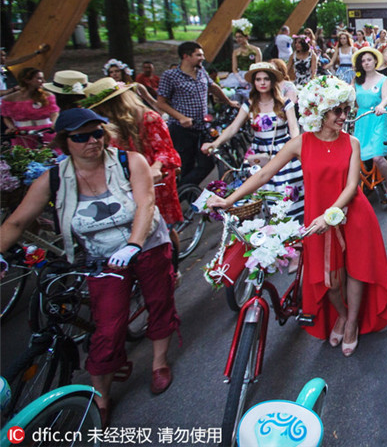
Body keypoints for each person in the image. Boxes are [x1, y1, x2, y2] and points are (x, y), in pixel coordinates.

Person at [0, 109, 179, 426]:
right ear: (65, 142)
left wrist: (134, 244)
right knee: (107, 326)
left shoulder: (129, 161)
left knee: (159, 301)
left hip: (147, 243)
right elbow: (17, 221)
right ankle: (101, 396)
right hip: (101, 257)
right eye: (81, 137)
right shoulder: (54, 179)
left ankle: (159, 361)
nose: (92, 142)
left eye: (98, 133)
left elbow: (145, 202)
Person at [208, 76, 387, 355]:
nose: (344, 116)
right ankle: (341, 315)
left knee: (357, 271)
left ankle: (352, 322)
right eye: (337, 111)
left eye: (346, 109)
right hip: (318, 218)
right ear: (319, 111)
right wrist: (229, 199)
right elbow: (264, 174)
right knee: (328, 277)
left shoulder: (352, 143)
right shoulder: (301, 143)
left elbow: (352, 187)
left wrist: (330, 214)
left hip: (353, 215)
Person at [202, 62, 303, 220]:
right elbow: (233, 127)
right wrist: (215, 143)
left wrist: (297, 148)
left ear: (272, 81)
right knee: (261, 195)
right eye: (258, 79)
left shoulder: (284, 103)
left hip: (283, 152)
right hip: (259, 154)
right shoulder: (250, 105)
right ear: (254, 83)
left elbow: (294, 129)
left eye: (266, 79)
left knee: (288, 195)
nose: (262, 83)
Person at [84, 77, 183, 239]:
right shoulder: (105, 125)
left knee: (161, 227)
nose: (101, 113)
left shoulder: (148, 118)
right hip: (125, 181)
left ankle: (172, 259)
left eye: (102, 108)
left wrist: (156, 167)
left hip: (154, 179)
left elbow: (165, 150)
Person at [155, 42, 239, 187]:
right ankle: (186, 196)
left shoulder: (201, 72)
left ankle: (184, 189)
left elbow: (213, 87)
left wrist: (229, 102)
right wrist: (181, 118)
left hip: (202, 127)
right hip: (181, 129)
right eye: (198, 55)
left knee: (208, 162)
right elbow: (161, 103)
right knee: (186, 164)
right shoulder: (171, 76)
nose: (203, 58)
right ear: (186, 56)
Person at [352, 47, 387, 201]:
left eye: (369, 59)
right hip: (362, 120)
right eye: (363, 61)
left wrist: (381, 106)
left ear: (376, 61)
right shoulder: (357, 79)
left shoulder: (383, 79)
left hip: (378, 118)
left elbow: (386, 97)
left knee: (377, 157)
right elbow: (351, 99)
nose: (366, 63)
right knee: (356, 157)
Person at [0, 67, 59, 148]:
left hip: (46, 131)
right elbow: (6, 116)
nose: (43, 81)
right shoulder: (9, 99)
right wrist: (11, 127)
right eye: (39, 78)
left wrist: (54, 123)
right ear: (27, 80)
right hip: (22, 134)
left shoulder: (47, 95)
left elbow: (54, 112)